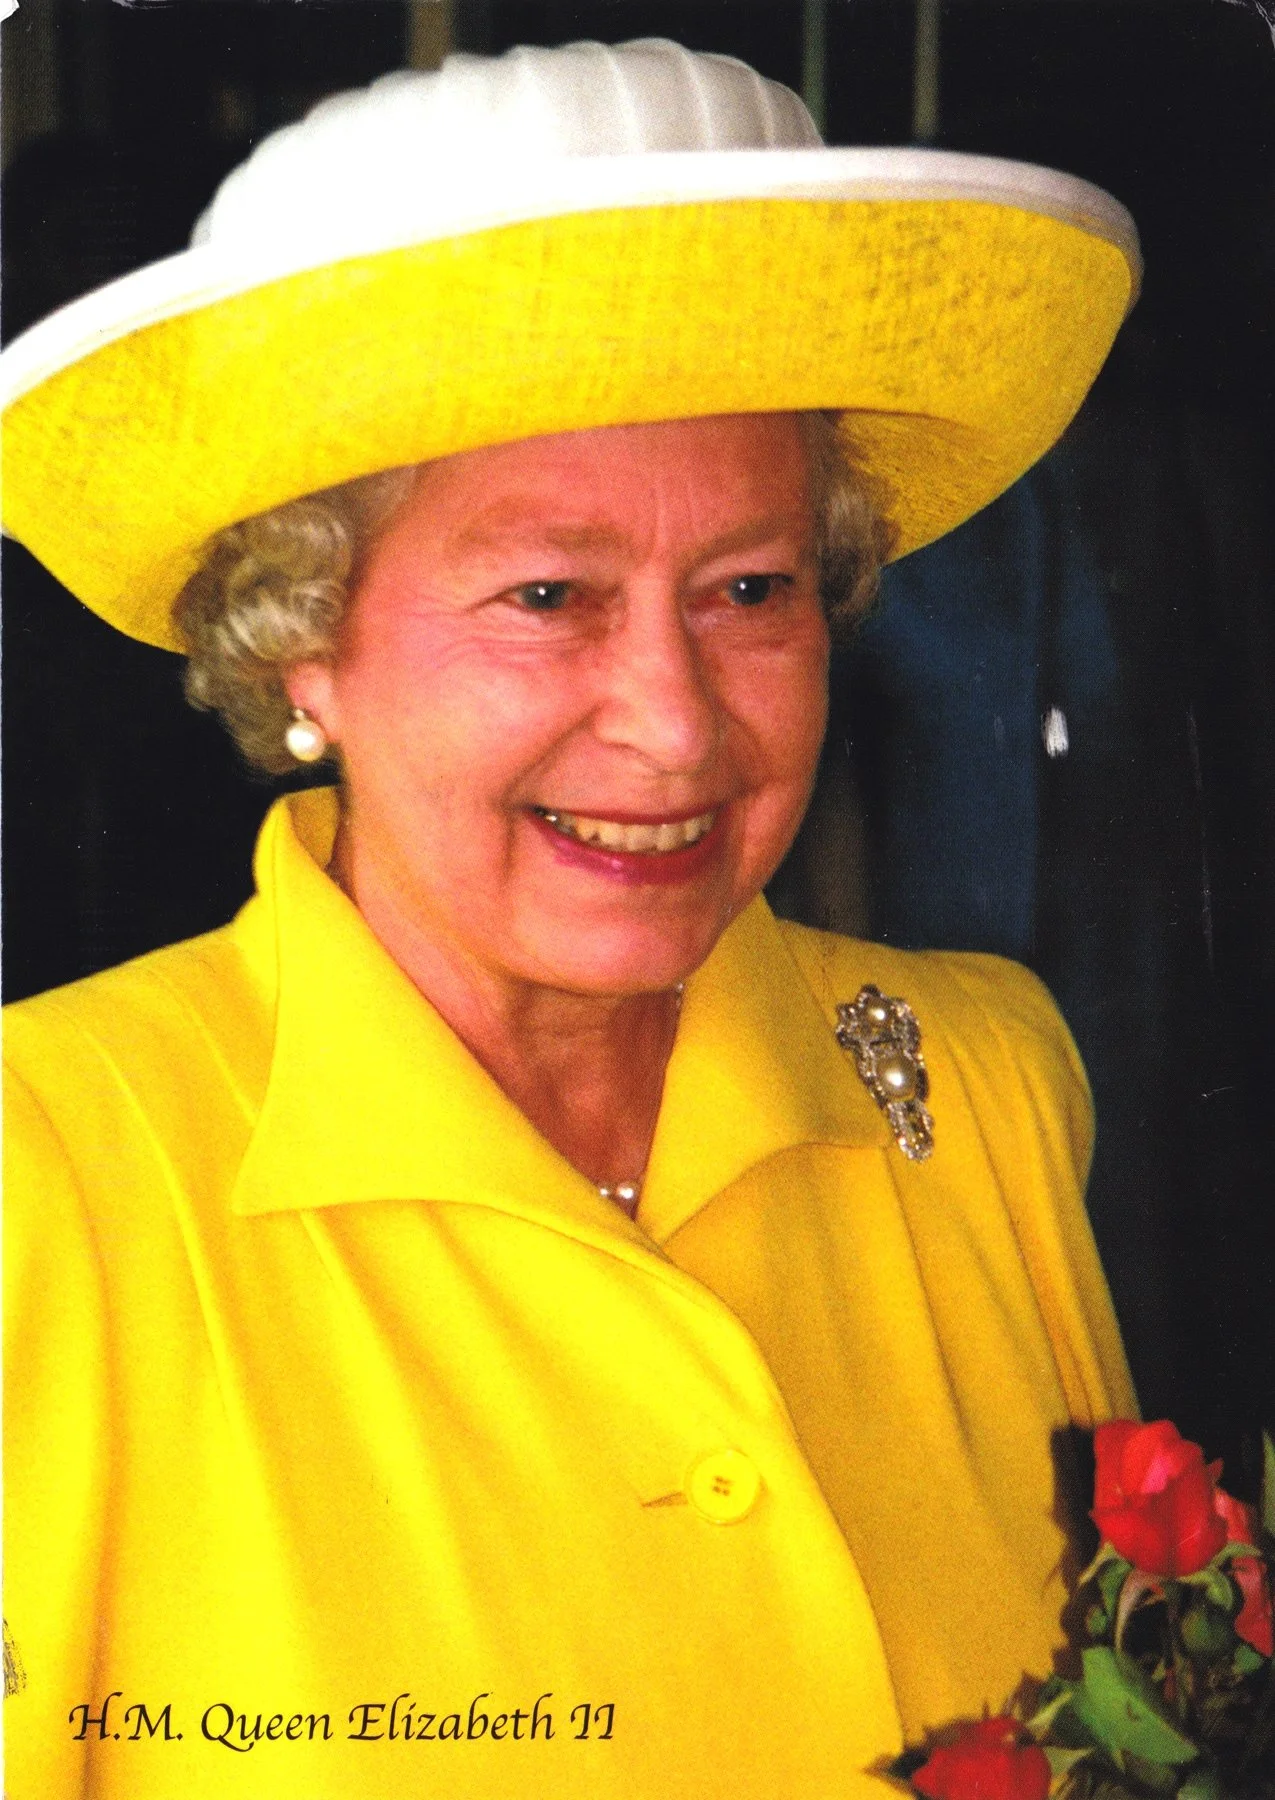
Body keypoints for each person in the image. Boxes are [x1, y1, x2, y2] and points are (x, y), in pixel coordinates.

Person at [2, 38, 1141, 1800]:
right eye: (547, 596)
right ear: (301, 642)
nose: (676, 723)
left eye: (750, 589)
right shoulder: (49, 1167)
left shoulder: (978, 1079)